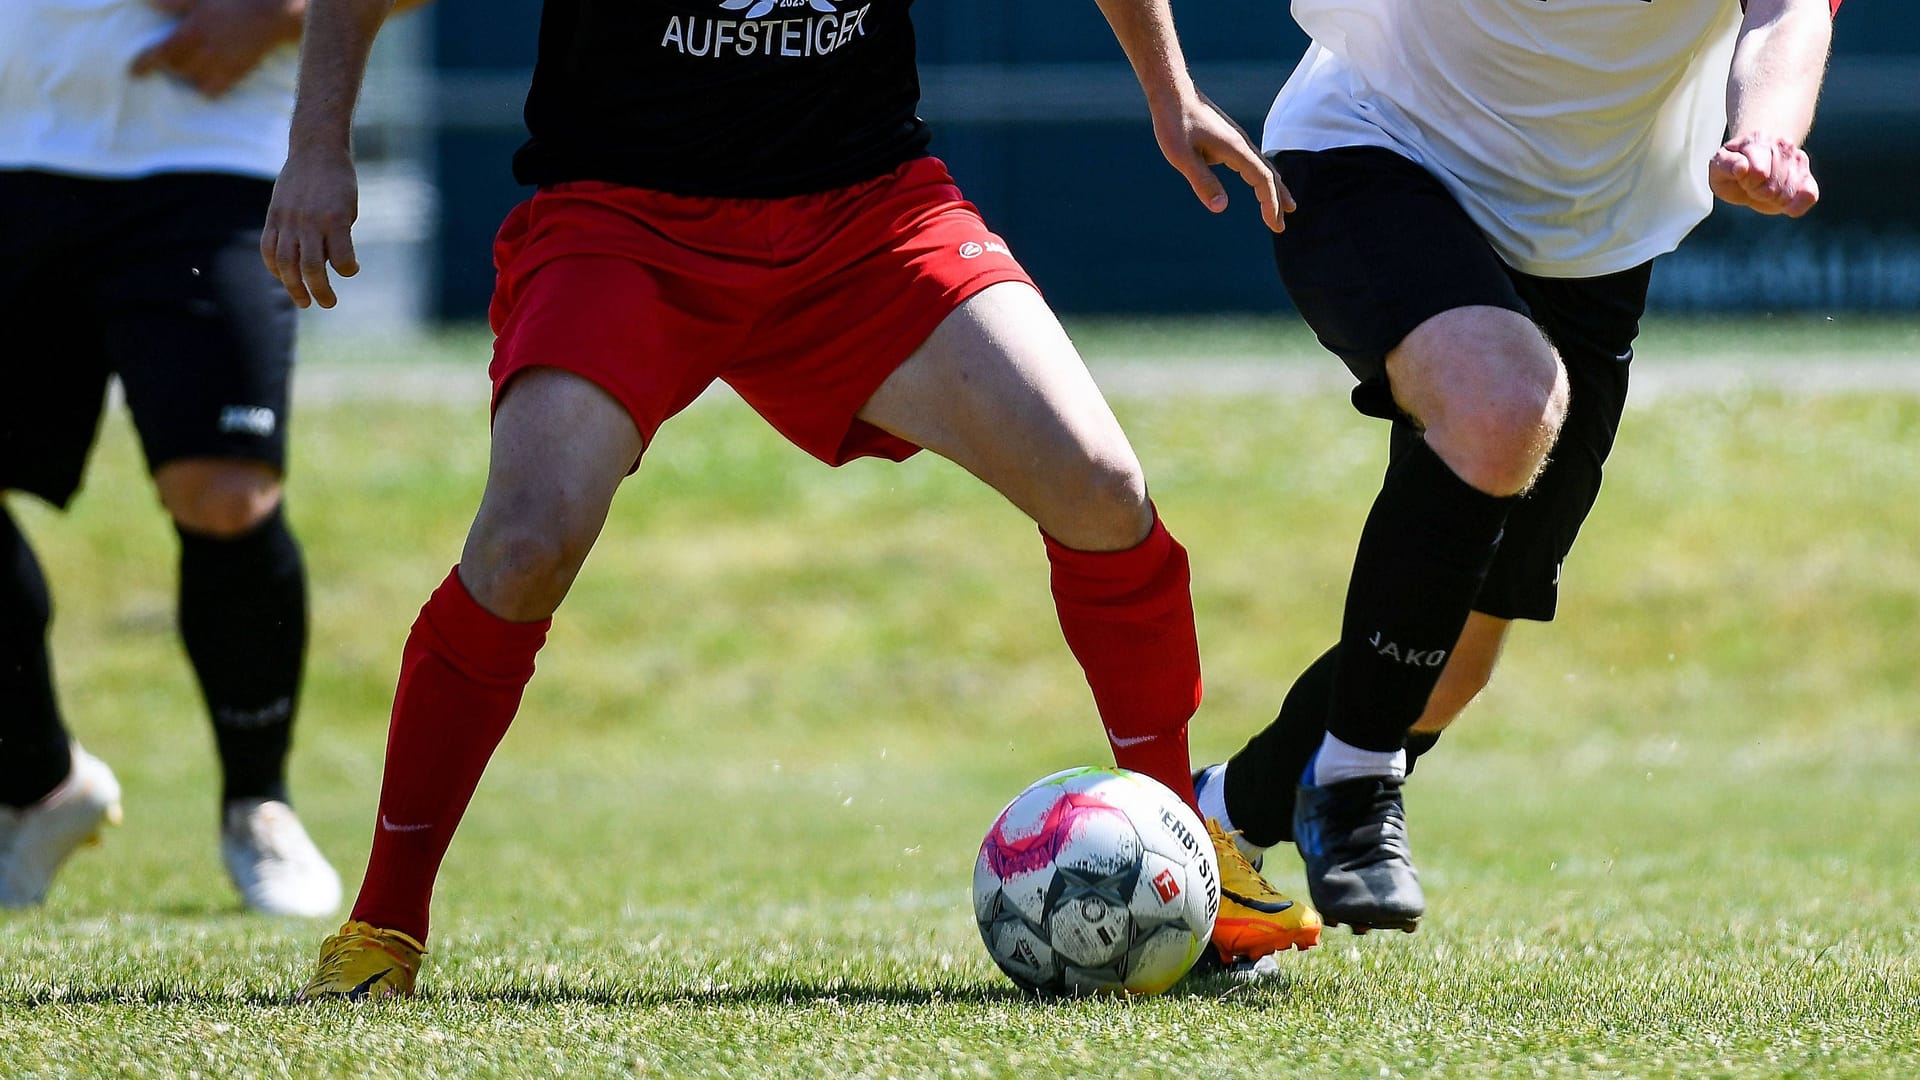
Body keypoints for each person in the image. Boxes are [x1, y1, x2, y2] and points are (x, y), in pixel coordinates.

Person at [269, 0, 1324, 999]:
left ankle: (1188, 851)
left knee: (1100, 486)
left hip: (865, 215)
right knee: (522, 547)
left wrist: (1169, 92)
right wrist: (320, 144)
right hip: (623, 222)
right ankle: (383, 924)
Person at [1192, 0, 1840, 933]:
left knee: (1454, 664)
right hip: (1375, 147)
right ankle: (1355, 783)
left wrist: (1767, 135)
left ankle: (1219, 822)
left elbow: (1787, 11)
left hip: (1589, 235)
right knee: (1504, 401)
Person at [0, 0, 372, 916]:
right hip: (14, 151)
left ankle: (259, 805)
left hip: (210, 155)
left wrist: (282, 13)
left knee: (225, 492)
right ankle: (45, 785)